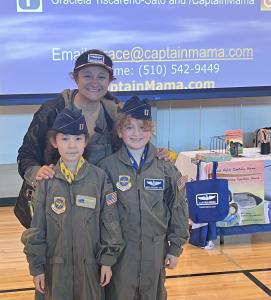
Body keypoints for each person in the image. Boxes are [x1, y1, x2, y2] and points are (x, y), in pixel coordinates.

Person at [15, 49, 170, 228]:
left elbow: (134, 145)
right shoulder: (52, 111)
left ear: (110, 80)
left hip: (101, 209)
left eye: (102, 77)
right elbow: (26, 154)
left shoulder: (116, 113)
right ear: (76, 78)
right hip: (57, 212)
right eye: (87, 76)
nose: (94, 83)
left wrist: (155, 154)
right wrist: (36, 172)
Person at [21, 108, 124, 300]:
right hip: (55, 272)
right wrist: (37, 268)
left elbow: (110, 224)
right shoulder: (46, 181)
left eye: (78, 139)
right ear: (54, 142)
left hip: (90, 270)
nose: (72, 146)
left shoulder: (99, 178)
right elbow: (36, 230)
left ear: (86, 142)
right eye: (65, 139)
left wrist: (108, 261)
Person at [98, 96, 189, 300]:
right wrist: (105, 256)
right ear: (120, 132)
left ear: (151, 130)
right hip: (121, 254)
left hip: (155, 251)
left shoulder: (165, 167)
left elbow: (178, 208)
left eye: (143, 127)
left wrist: (175, 247)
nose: (137, 133)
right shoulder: (107, 168)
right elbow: (102, 216)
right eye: (129, 127)